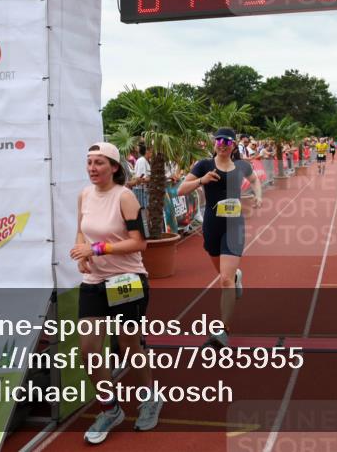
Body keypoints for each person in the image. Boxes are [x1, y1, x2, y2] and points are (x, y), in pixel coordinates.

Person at [69, 142, 162, 443]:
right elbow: (82, 229)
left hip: (126, 280)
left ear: (114, 167)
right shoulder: (84, 194)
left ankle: (149, 397)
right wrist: (83, 254)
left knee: (129, 346)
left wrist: (97, 248)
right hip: (95, 281)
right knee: (87, 349)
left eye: (99, 163)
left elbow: (140, 243)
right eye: (89, 162)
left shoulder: (124, 197)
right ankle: (110, 408)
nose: (92, 168)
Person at [176, 128, 262, 347]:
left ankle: (223, 331)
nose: (223, 144)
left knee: (224, 280)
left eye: (227, 141)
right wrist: (202, 180)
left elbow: (255, 180)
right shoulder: (203, 165)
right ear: (215, 143)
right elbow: (180, 190)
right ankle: (236, 277)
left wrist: (258, 196)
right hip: (212, 225)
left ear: (233, 145)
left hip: (234, 226)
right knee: (225, 274)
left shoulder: (241, 166)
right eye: (219, 140)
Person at [130, 144, 150, 212]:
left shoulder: (145, 160)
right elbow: (141, 178)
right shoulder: (142, 160)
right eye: (151, 151)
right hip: (141, 190)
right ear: (147, 151)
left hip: (143, 190)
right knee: (144, 211)